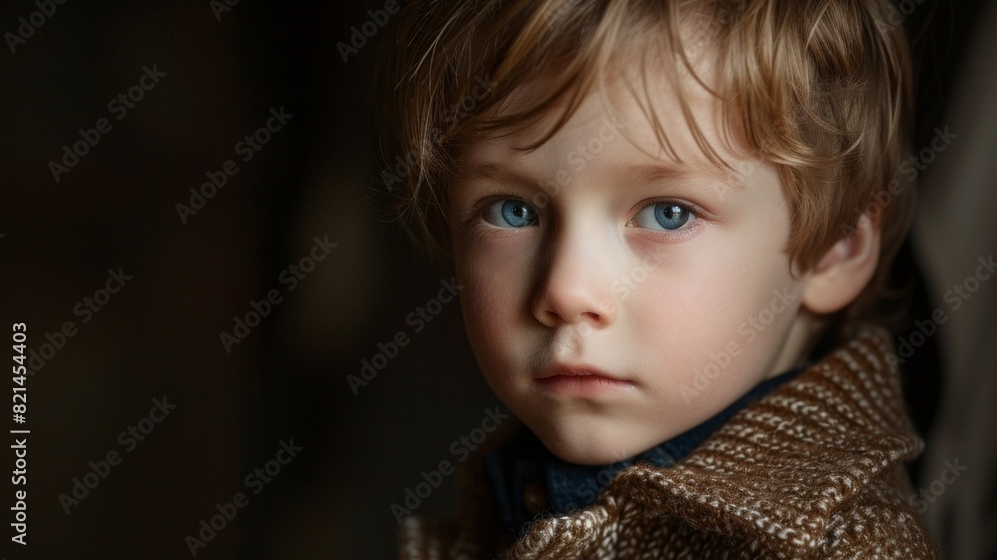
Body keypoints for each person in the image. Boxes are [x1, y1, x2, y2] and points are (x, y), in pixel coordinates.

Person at [376, 0, 943, 557]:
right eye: (513, 211)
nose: (566, 292)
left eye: (667, 214)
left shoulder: (848, 548)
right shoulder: (499, 503)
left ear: (836, 246)